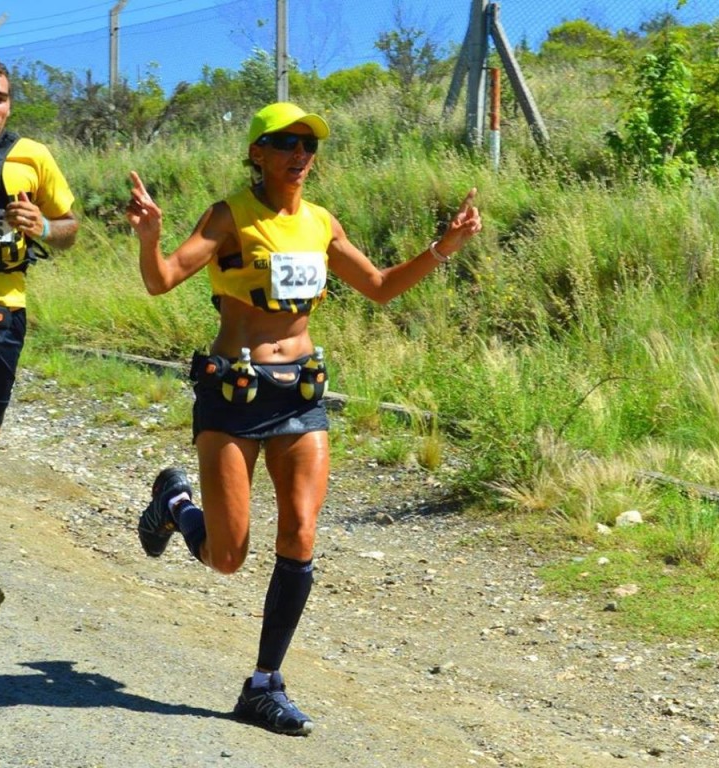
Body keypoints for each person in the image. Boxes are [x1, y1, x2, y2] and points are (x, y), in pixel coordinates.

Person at [125, 101, 482, 736]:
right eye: (286, 143)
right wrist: (150, 238)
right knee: (228, 556)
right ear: (257, 152)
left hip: (300, 396)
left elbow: (377, 284)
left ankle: (264, 685)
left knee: (300, 536)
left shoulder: (319, 222)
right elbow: (163, 280)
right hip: (234, 396)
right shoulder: (230, 215)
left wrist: (442, 247)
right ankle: (176, 500)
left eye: (309, 145)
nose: (300, 155)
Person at [0, 57, 79, 455]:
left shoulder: (33, 156)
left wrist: (41, 227)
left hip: (2, 311)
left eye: (0, 98)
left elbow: (69, 229)